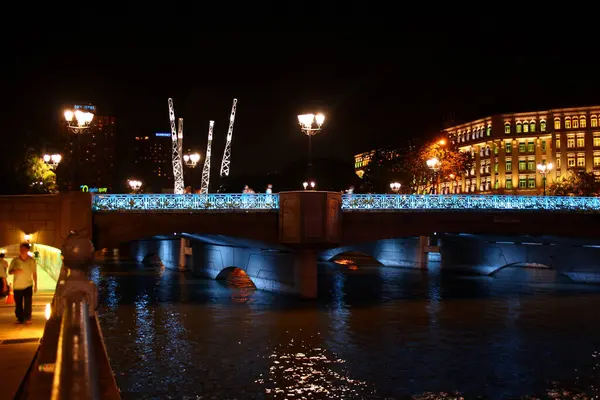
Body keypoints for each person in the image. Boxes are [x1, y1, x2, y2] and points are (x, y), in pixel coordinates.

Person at [8, 243, 37, 324]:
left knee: (28, 303)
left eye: (24, 249)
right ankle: (20, 318)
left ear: (27, 250)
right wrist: (15, 271)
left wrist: (35, 285)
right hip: (17, 286)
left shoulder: (32, 260)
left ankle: (27, 317)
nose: (22, 251)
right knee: (18, 304)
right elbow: (9, 272)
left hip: (28, 285)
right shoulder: (15, 260)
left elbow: (34, 273)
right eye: (21, 249)